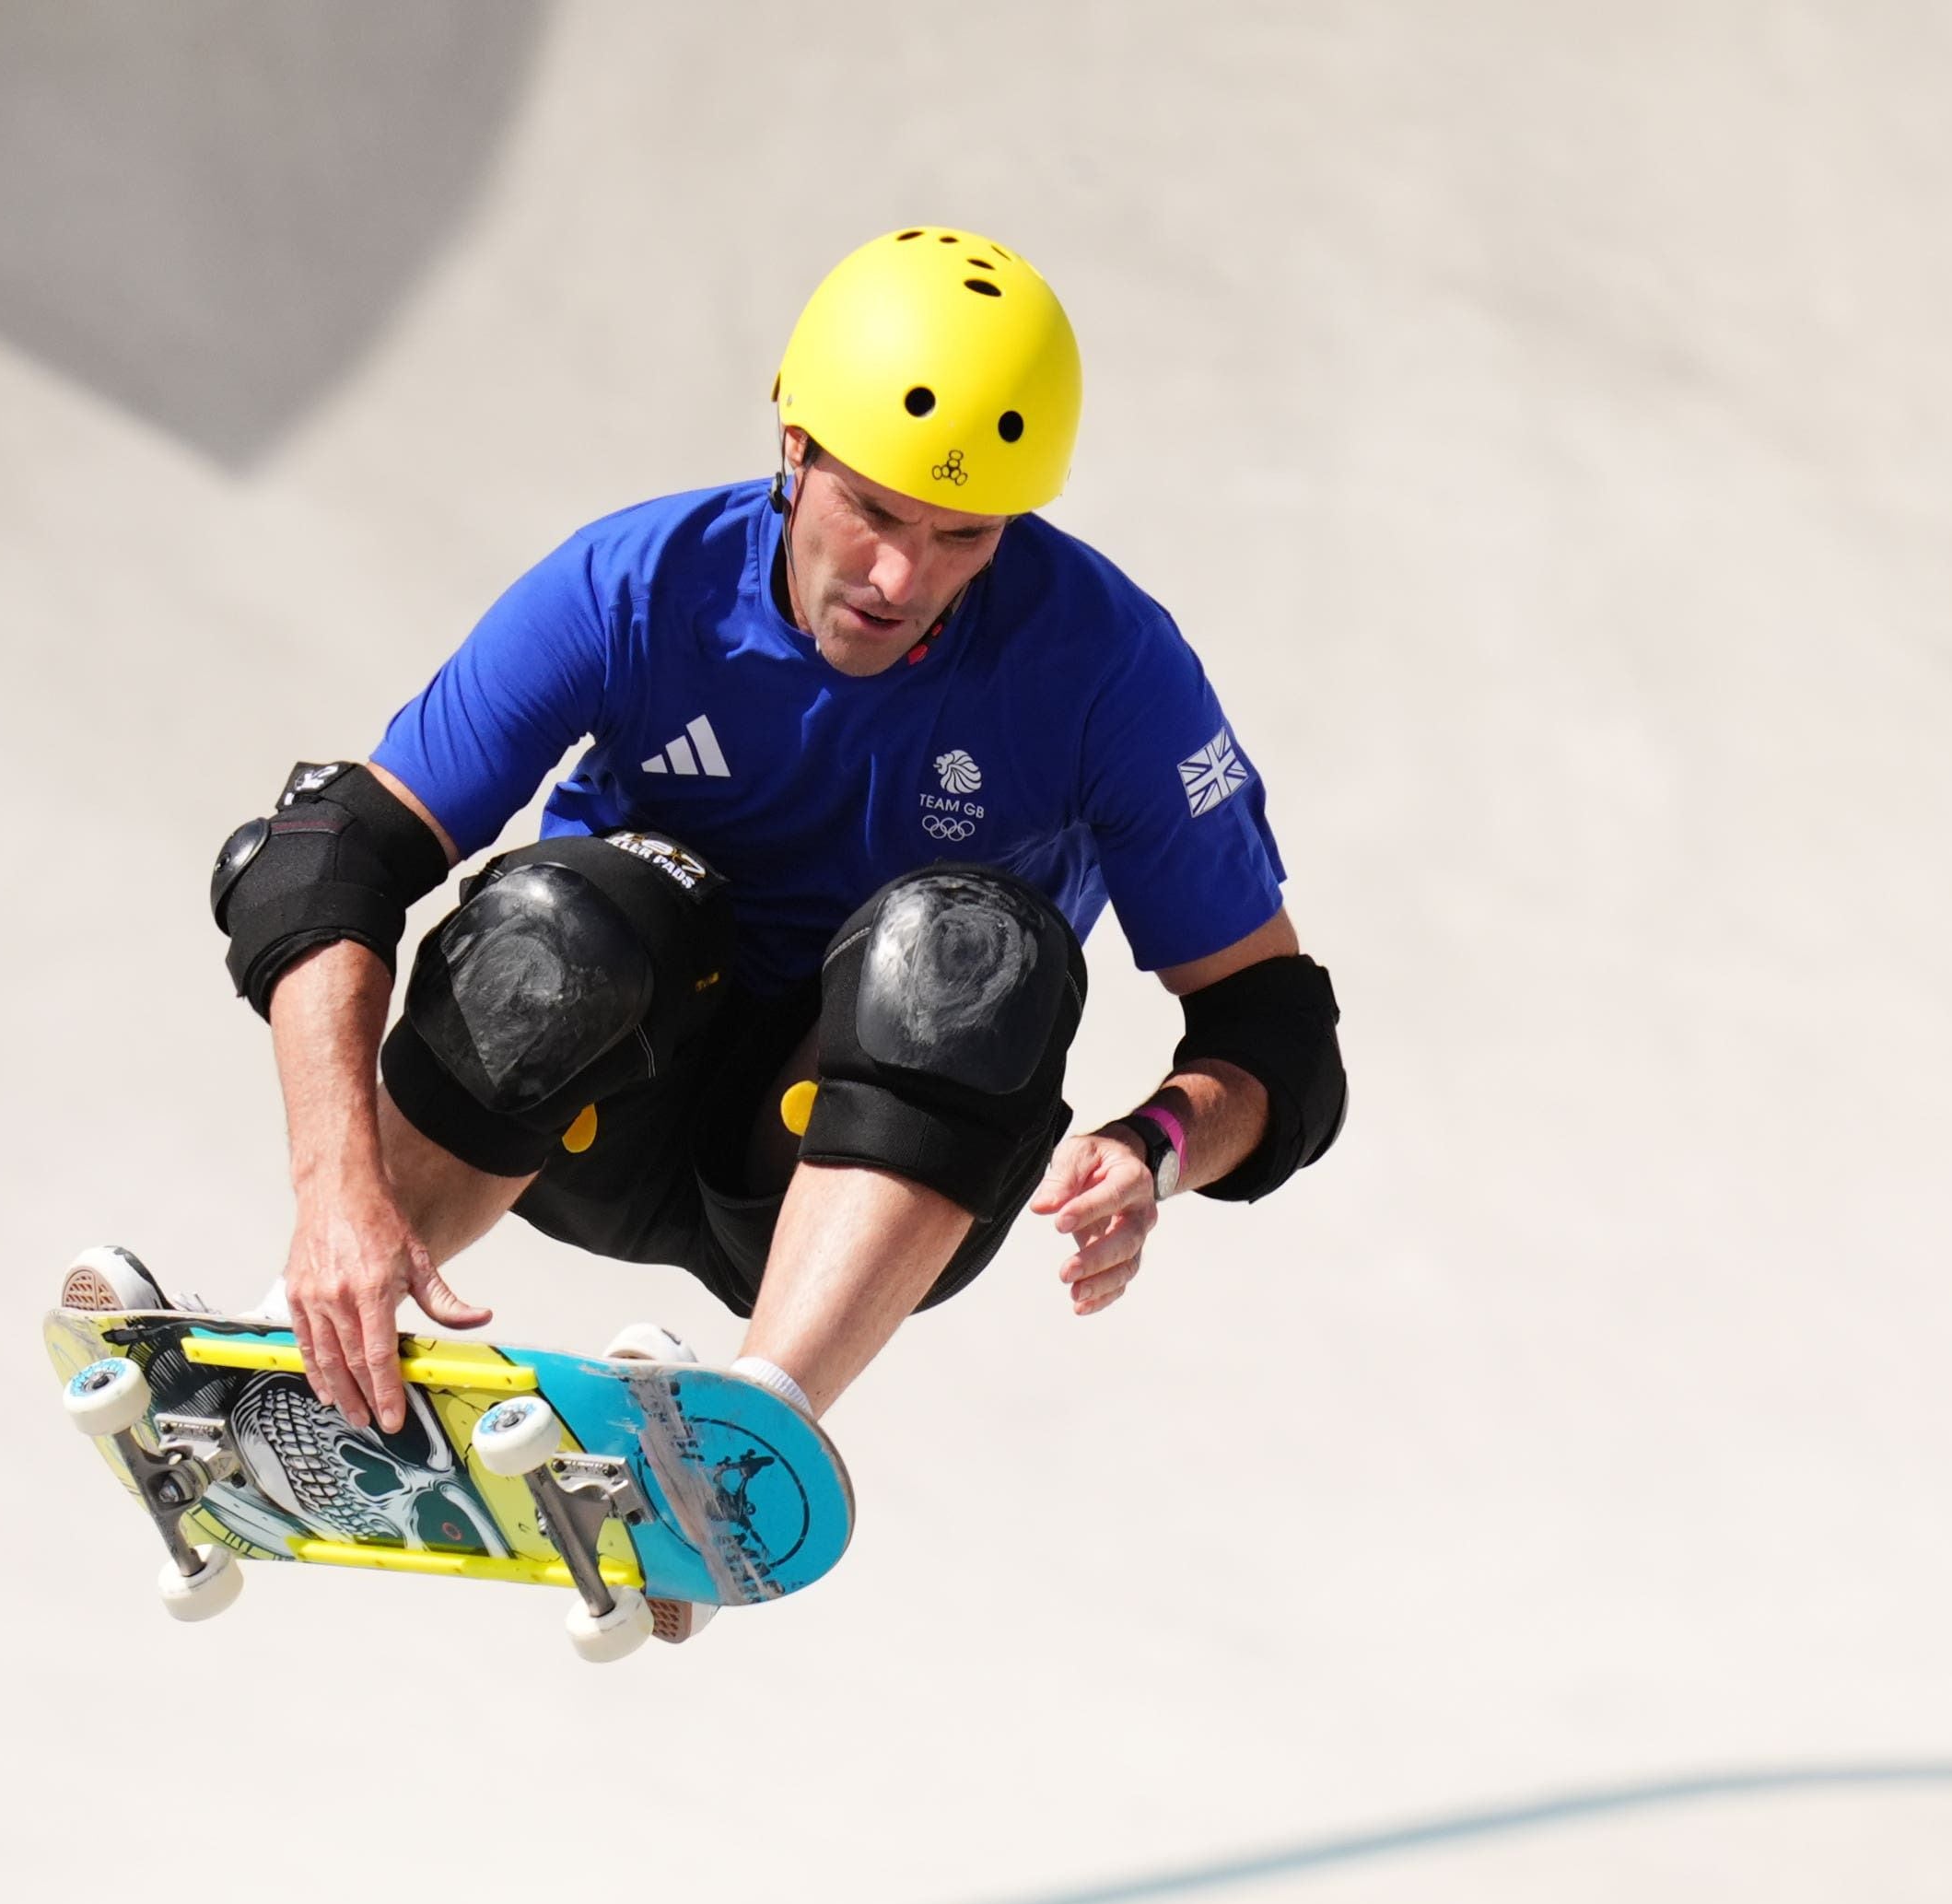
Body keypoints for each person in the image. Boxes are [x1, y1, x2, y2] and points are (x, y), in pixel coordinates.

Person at [71, 227, 1345, 1634]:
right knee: (571, 911)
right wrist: (333, 1194)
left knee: (967, 942)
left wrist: (1161, 1147)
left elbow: (1271, 1029)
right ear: (793, 447)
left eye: (961, 536)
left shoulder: (1104, 660)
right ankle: (305, 1354)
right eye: (872, 512)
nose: (901, 579)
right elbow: (325, 861)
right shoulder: (636, 584)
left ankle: (743, 1435)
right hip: (596, 1107)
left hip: (857, 1167)